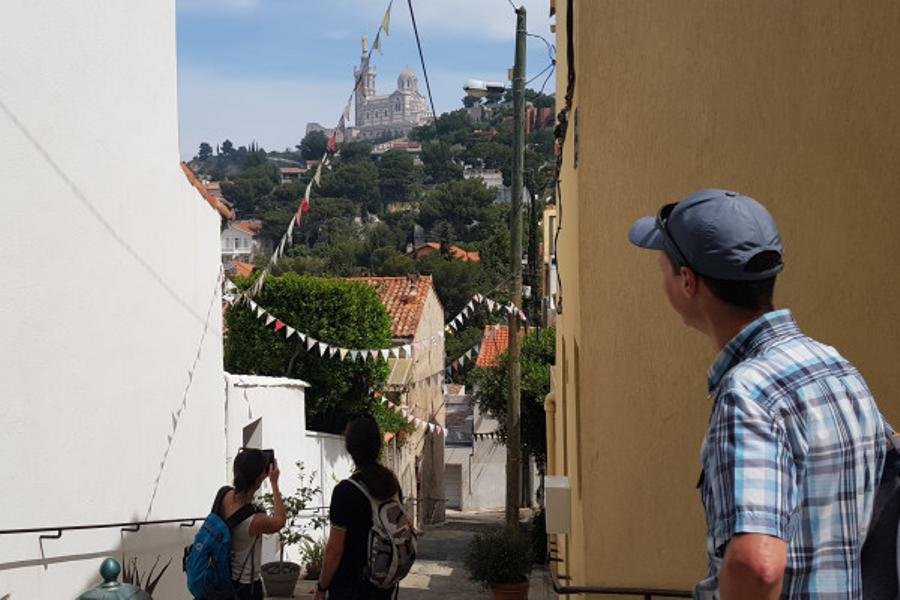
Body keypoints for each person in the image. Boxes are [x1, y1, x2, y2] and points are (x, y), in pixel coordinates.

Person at [628, 189, 889, 598]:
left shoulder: (748, 395)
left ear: (687, 281)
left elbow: (758, 566)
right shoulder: (837, 367)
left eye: (663, 266)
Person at [315, 416, 402, 600]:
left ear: (349, 448)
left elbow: (334, 550)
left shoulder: (345, 491)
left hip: (350, 587)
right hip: (382, 585)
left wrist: (321, 587)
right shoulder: (391, 484)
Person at [218, 448, 286, 600]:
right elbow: (280, 520)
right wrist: (274, 483)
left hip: (224, 578)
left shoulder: (223, 495)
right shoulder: (255, 520)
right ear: (259, 479)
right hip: (246, 587)